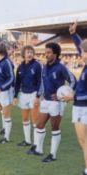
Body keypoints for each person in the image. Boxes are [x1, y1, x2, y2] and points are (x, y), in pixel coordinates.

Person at [35, 42, 76, 162]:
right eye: (45, 52)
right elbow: (42, 82)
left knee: (54, 128)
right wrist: (41, 94)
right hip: (45, 101)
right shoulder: (44, 66)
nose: (46, 55)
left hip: (56, 103)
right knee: (39, 124)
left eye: (49, 53)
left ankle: (52, 155)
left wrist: (64, 95)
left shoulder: (61, 67)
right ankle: (39, 149)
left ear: (56, 54)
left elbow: (73, 81)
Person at [67, 21, 87, 175]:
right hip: (79, 106)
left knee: (85, 142)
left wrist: (73, 95)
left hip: (84, 106)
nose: (81, 54)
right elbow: (81, 46)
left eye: (84, 52)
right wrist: (74, 34)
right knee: (83, 142)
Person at [13, 45, 42, 149]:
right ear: (23, 54)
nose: (29, 54)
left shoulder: (37, 65)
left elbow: (40, 81)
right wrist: (15, 96)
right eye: (27, 52)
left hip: (34, 94)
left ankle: (36, 143)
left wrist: (38, 96)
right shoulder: (20, 67)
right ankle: (27, 140)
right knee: (25, 119)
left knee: (35, 119)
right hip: (23, 94)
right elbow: (17, 83)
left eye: (31, 52)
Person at [0, 43, 15, 144]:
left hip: (5, 91)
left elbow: (11, 78)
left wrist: (1, 88)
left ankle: (6, 137)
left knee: (6, 114)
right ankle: (4, 127)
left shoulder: (6, 62)